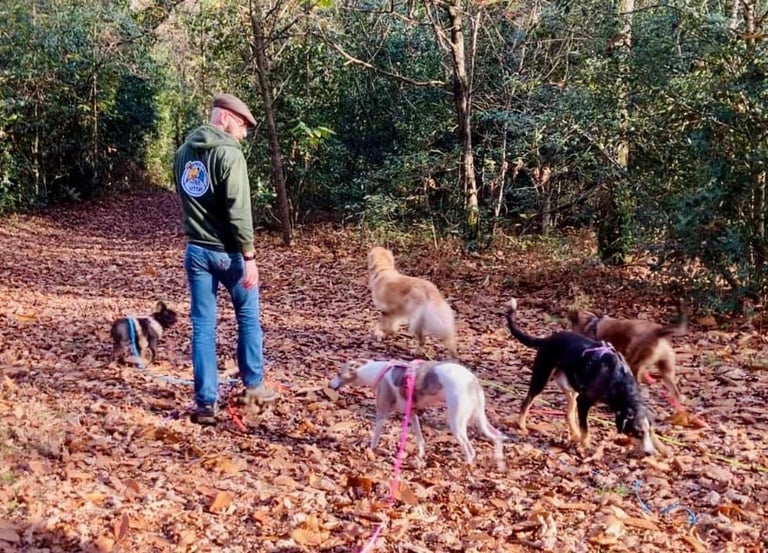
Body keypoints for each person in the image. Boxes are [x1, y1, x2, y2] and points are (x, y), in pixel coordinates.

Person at [174, 93, 279, 425]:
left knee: (202, 326)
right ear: (224, 117)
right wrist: (249, 256)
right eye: (242, 124)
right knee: (248, 319)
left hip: (196, 251)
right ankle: (255, 395)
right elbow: (239, 210)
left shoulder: (182, 153)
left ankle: (205, 404)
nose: (244, 133)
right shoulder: (229, 154)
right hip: (229, 253)